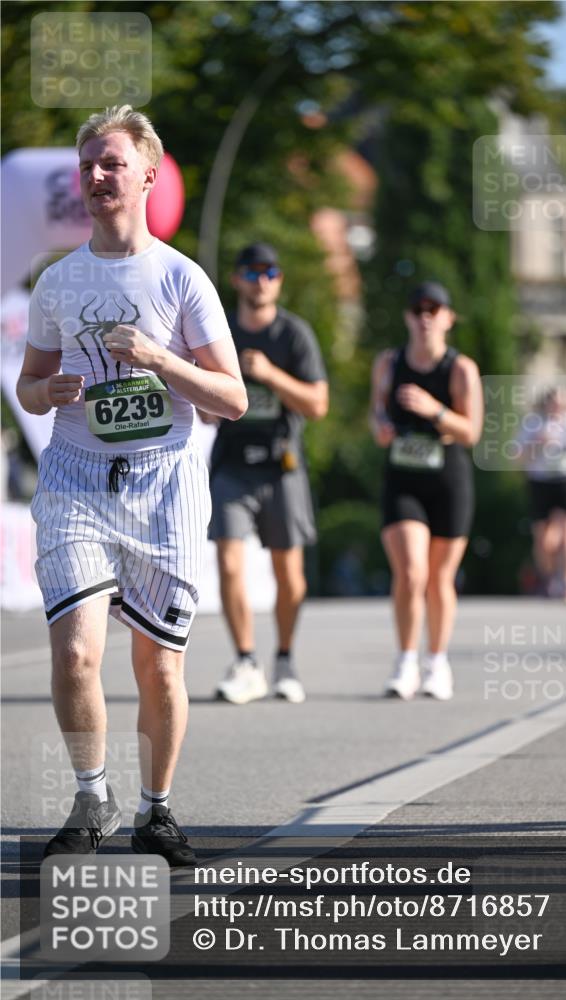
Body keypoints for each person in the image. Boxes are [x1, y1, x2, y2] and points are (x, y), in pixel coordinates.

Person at [17, 106, 247, 865]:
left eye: (111, 162)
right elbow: (28, 386)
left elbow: (231, 398)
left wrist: (158, 358)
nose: (95, 175)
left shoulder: (183, 279)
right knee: (77, 652)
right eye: (87, 163)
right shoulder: (57, 281)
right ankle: (91, 795)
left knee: (158, 663)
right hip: (78, 477)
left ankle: (156, 810)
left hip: (165, 480)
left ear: (148, 174)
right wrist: (48, 397)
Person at [208, 243, 328, 704]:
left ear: (279, 280)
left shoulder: (293, 334)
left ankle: (284, 659)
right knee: (229, 562)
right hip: (232, 465)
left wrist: (271, 376)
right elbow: (202, 408)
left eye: (270, 272)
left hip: (282, 465)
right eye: (252, 272)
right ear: (237, 279)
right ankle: (244, 659)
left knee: (290, 574)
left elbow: (318, 405)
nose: (261, 280)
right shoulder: (220, 331)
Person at [370, 281, 483, 700]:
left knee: (439, 579)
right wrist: (380, 427)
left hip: (448, 479)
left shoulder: (460, 370)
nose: (425, 317)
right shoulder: (388, 362)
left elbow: (471, 431)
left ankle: (437, 661)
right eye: (418, 309)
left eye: (434, 310)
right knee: (411, 571)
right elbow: (376, 412)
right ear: (407, 317)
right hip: (402, 477)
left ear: (449, 318)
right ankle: (404, 662)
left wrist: (433, 409)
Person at [515, 387, 566, 602]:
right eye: (553, 402)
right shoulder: (533, 423)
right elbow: (518, 455)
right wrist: (537, 444)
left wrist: (564, 447)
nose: (556, 407)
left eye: (561, 403)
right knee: (544, 539)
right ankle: (549, 579)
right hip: (540, 481)